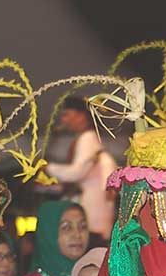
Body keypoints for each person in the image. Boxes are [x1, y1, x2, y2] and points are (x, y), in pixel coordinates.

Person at [45, 97, 118, 244]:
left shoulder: (87, 138)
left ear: (81, 115)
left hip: (93, 219)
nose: (64, 120)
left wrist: (46, 167)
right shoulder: (90, 139)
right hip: (96, 219)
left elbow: (76, 172)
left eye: (67, 115)